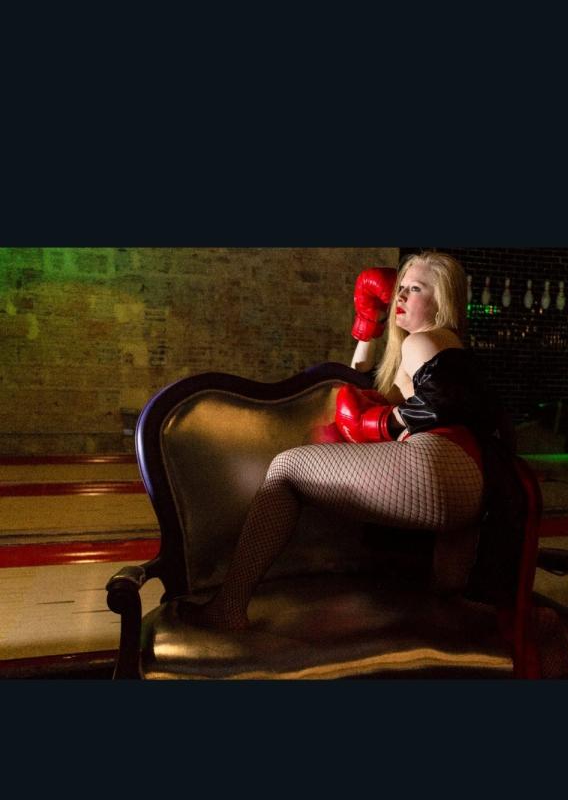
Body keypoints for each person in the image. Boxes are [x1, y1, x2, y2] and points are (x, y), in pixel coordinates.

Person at [184, 251, 510, 630]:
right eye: (401, 288)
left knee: (286, 467)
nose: (401, 296)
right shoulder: (444, 346)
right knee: (448, 606)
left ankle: (227, 607)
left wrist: (381, 423)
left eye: (416, 289)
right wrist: (367, 326)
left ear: (442, 304)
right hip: (469, 482)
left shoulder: (422, 342)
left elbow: (443, 403)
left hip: (436, 464)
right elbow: (359, 382)